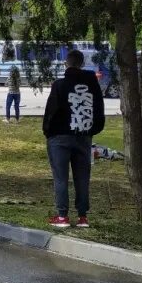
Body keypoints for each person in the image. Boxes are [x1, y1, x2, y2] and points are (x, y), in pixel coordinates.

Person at [42, 49, 105, 228]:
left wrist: (48, 131)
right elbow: (98, 108)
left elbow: (51, 112)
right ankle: (82, 217)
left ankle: (62, 216)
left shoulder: (59, 85)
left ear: (66, 64)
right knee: (82, 177)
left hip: (60, 137)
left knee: (61, 177)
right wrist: (93, 129)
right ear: (82, 64)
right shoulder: (93, 84)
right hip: (84, 135)